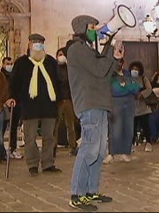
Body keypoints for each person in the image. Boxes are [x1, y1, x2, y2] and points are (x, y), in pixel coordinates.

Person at [67, 15, 122, 211]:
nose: (95, 30)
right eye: (92, 27)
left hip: (99, 103)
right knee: (88, 149)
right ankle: (77, 194)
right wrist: (108, 51)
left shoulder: (88, 50)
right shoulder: (77, 50)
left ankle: (91, 190)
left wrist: (114, 57)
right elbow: (99, 69)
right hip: (89, 104)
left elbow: (105, 73)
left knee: (98, 152)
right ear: (82, 28)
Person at [6, 34, 61, 177]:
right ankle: (32, 164)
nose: (38, 45)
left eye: (40, 42)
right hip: (29, 106)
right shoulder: (22, 63)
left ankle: (48, 163)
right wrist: (12, 97)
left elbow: (58, 82)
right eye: (35, 42)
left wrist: (59, 99)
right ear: (29, 44)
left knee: (49, 136)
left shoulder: (50, 62)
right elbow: (15, 83)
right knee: (30, 137)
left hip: (49, 105)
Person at [105, 58, 141, 164]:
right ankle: (112, 153)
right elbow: (114, 89)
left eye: (120, 62)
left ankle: (126, 152)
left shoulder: (128, 74)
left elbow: (136, 88)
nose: (118, 64)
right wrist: (126, 87)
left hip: (129, 103)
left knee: (128, 127)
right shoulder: (109, 76)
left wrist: (125, 86)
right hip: (115, 102)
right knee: (115, 128)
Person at [54, 47, 78, 157]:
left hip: (68, 99)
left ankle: (73, 146)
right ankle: (53, 147)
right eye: (59, 54)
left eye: (63, 54)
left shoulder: (70, 69)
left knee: (70, 125)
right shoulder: (54, 69)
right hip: (58, 101)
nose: (61, 56)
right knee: (55, 125)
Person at [130, 61, 155, 152]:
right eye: (133, 69)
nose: (134, 71)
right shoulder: (128, 79)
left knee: (146, 126)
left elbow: (149, 89)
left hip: (144, 108)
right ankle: (132, 144)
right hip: (133, 109)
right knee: (132, 127)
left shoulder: (143, 79)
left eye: (136, 69)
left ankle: (148, 143)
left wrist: (142, 94)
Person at [1, 56, 22, 160]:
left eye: (11, 63)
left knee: (13, 128)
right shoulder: (0, 76)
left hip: (15, 104)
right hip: (4, 104)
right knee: (2, 127)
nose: (9, 65)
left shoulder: (16, 75)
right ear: (3, 64)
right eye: (7, 63)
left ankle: (12, 148)